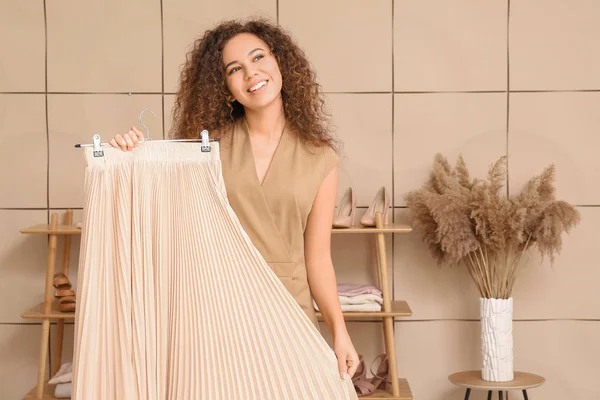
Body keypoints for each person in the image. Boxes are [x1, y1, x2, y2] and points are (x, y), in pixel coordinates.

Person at [109, 18, 359, 381]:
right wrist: (129, 158)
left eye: (259, 58)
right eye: (235, 69)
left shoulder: (321, 158)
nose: (251, 73)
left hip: (291, 310)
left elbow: (318, 258)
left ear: (280, 63)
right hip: (220, 310)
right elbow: (159, 220)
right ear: (226, 88)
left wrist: (339, 330)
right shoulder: (206, 151)